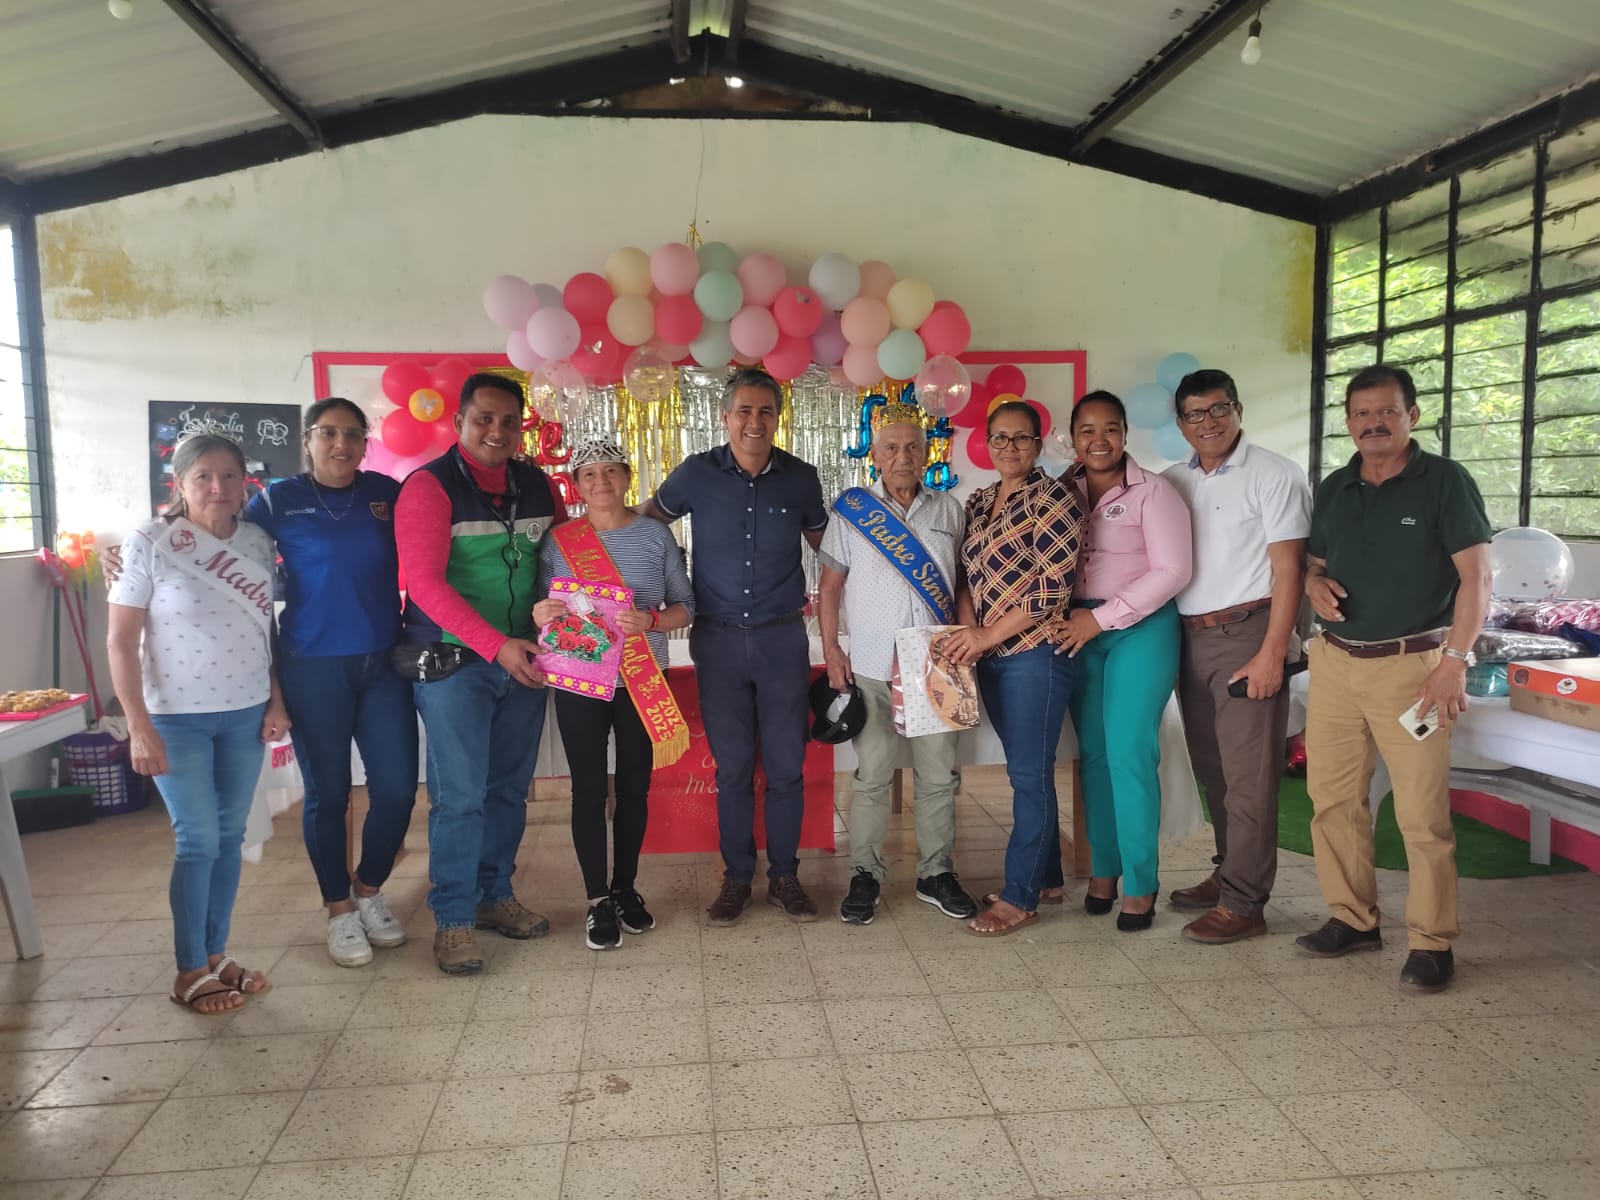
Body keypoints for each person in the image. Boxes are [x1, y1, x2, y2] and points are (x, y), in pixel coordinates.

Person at [1298, 364, 1492, 993]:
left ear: (1413, 415)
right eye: (1361, 413)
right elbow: (1315, 564)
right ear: (1348, 422)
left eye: (1387, 411)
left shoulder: (1445, 482)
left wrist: (1454, 664)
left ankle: (1432, 942)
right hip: (1335, 662)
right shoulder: (1335, 487)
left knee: (1420, 812)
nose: (1373, 423)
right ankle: (1352, 918)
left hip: (1415, 668)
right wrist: (1313, 584)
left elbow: (1478, 579)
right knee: (1332, 799)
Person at [107, 433, 291, 1013]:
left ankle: (215, 954)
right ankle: (188, 968)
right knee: (198, 839)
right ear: (180, 485)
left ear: (244, 482)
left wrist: (276, 701)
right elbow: (120, 641)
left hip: (245, 711)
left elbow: (268, 631)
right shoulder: (149, 543)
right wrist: (137, 725)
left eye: (229, 475)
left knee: (230, 836)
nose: (218, 487)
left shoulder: (258, 542)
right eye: (203, 477)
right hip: (174, 718)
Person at [639, 367, 828, 925]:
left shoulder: (801, 478)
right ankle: (737, 878)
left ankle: (786, 877)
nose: (754, 421)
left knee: (787, 766)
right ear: (725, 417)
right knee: (733, 769)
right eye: (744, 410)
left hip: (782, 640)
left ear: (778, 419)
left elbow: (829, 546)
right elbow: (647, 523)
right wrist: (657, 573)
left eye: (765, 411)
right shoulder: (696, 473)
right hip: (717, 641)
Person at [395, 372, 565, 974]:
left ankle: (495, 896)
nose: (497, 431)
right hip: (455, 665)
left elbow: (561, 564)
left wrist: (561, 638)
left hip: (525, 660)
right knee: (460, 798)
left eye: (509, 421)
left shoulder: (537, 484)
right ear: (459, 422)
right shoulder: (428, 487)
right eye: (483, 419)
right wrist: (498, 647)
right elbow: (425, 586)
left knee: (508, 790)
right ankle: (453, 919)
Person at [246, 398, 417, 967]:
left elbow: (434, 543)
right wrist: (140, 547)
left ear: (365, 442)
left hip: (383, 663)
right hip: (312, 664)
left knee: (397, 788)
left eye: (352, 434)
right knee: (329, 794)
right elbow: (218, 538)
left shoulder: (386, 495)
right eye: (328, 433)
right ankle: (339, 909)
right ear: (308, 440)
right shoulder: (277, 500)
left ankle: (368, 889)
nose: (340, 444)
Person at [1162, 370, 1310, 945]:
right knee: (1214, 768)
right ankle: (1228, 872)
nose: (1209, 422)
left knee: (1249, 776)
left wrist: (1275, 652)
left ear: (1238, 410)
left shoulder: (1274, 474)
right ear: (1181, 424)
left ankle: (1245, 902)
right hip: (1188, 638)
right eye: (1195, 414)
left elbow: (1290, 572)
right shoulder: (1173, 481)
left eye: (1219, 409)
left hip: (1249, 634)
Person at [818, 402, 977, 925]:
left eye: (912, 446)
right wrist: (833, 650)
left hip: (937, 660)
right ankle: (865, 873)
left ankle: (936, 873)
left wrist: (968, 640)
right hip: (869, 661)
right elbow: (830, 588)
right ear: (875, 455)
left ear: (926, 453)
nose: (902, 456)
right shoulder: (851, 512)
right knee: (872, 774)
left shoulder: (949, 510)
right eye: (891, 447)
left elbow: (961, 584)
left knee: (939, 774)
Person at [535, 439, 695, 950]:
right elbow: (541, 607)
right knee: (587, 789)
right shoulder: (560, 541)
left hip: (641, 681)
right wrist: (542, 613)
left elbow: (686, 606)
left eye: (610, 471)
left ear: (627, 478)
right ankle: (596, 899)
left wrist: (651, 620)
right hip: (580, 679)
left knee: (634, 787)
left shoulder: (654, 536)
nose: (600, 481)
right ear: (576, 486)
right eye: (589, 474)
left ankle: (625, 888)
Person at [944, 401, 1083, 937]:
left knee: (1028, 776)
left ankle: (1020, 896)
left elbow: (1050, 588)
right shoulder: (979, 501)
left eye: (1021, 438)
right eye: (1000, 438)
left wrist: (986, 635)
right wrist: (969, 633)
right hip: (991, 656)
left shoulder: (1055, 498)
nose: (1009, 448)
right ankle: (1046, 878)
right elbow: (965, 575)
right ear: (987, 442)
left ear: (1038, 444)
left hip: (1035, 655)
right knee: (1026, 771)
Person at [1055, 391, 1192, 933]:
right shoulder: (1060, 490)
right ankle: (1104, 869)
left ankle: (1140, 881)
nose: (1099, 440)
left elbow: (1173, 571)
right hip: (1079, 629)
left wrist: (1102, 617)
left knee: (1128, 753)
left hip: (1141, 629)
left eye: (1110, 428)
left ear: (1125, 434)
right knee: (1092, 755)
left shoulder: (1153, 492)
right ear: (1073, 437)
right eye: (1087, 430)